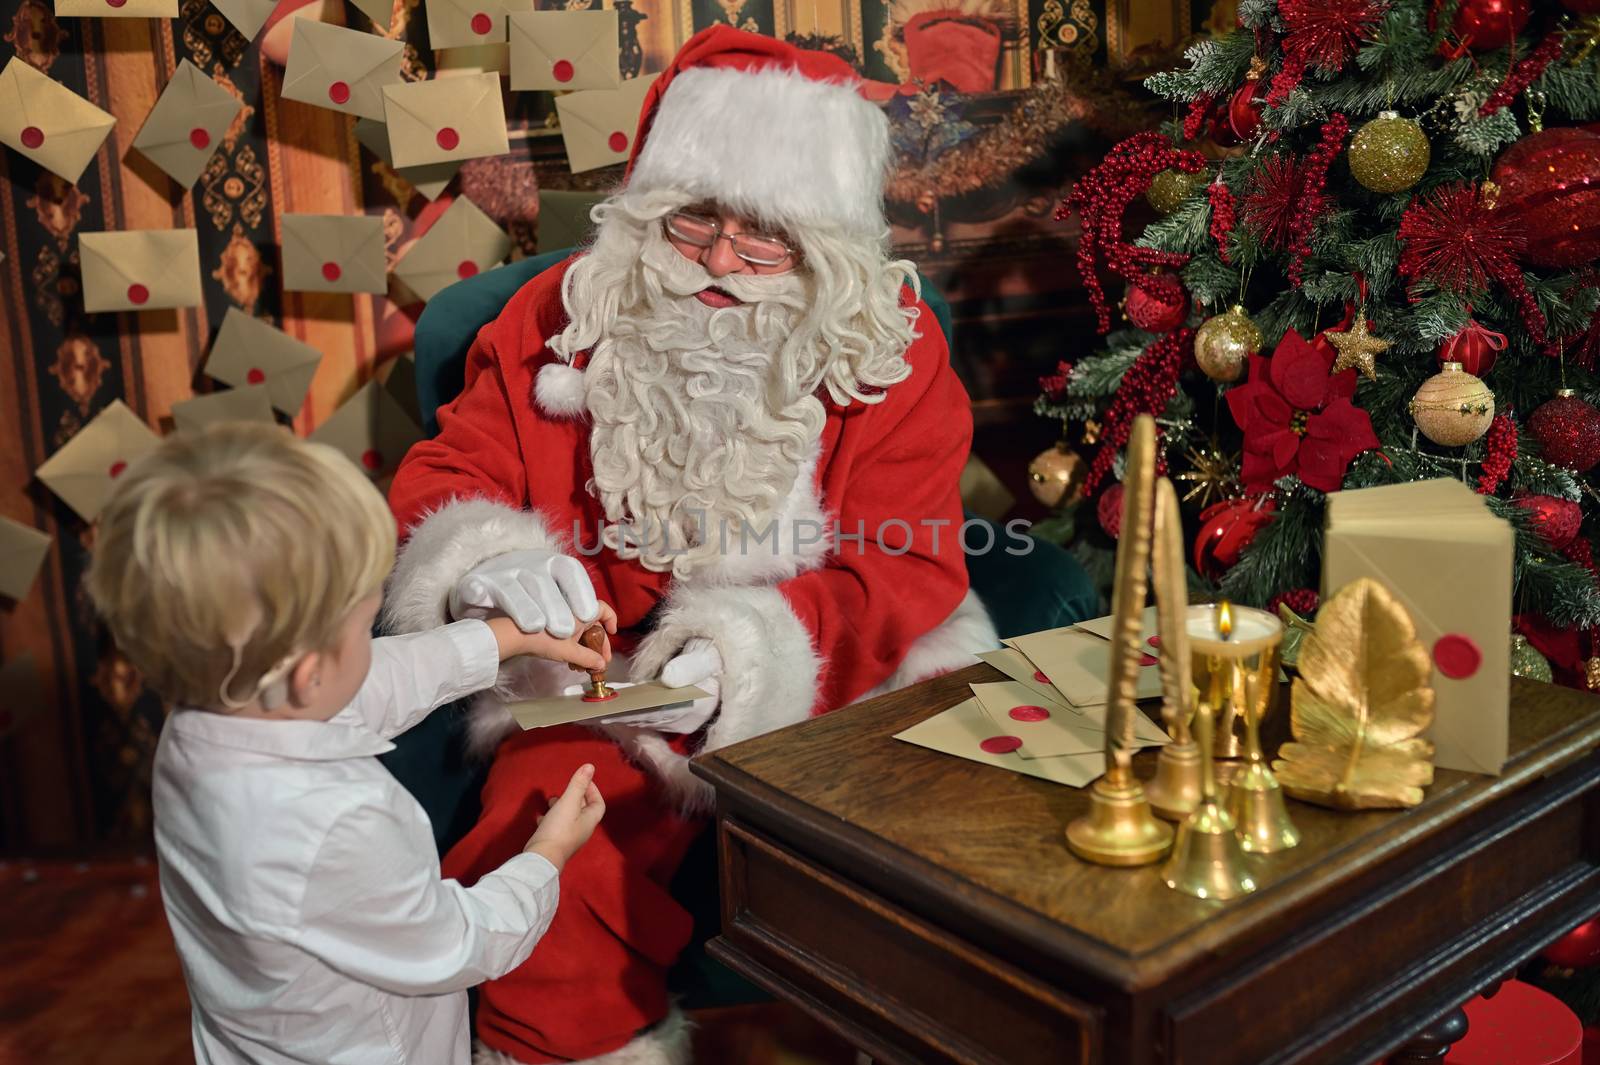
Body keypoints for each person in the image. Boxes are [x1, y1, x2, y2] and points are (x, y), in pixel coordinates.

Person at [384, 25, 999, 1064]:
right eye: (691, 219)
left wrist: (748, 654)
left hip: (838, 675)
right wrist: (486, 559)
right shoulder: (557, 314)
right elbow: (452, 474)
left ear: (825, 239)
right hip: (602, 680)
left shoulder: (890, 346)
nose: (718, 259)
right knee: (546, 851)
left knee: (955, 879)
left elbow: (906, 569)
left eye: (763, 236)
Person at [83, 422, 610, 1065]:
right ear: (308, 673)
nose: (374, 642)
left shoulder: (202, 726)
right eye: (367, 625)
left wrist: (504, 639)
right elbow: (456, 945)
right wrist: (547, 854)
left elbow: (366, 686)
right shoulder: (340, 820)